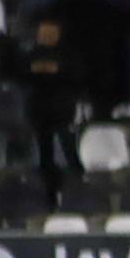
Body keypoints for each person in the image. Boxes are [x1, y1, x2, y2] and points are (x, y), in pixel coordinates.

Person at [24, 17, 84, 206]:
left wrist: (56, 70)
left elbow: (77, 78)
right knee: (44, 157)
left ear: (58, 34)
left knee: (70, 152)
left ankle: (79, 190)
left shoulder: (69, 55)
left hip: (62, 111)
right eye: (43, 33)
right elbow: (21, 76)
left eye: (50, 33)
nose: (46, 36)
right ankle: (49, 196)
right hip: (40, 112)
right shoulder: (31, 54)